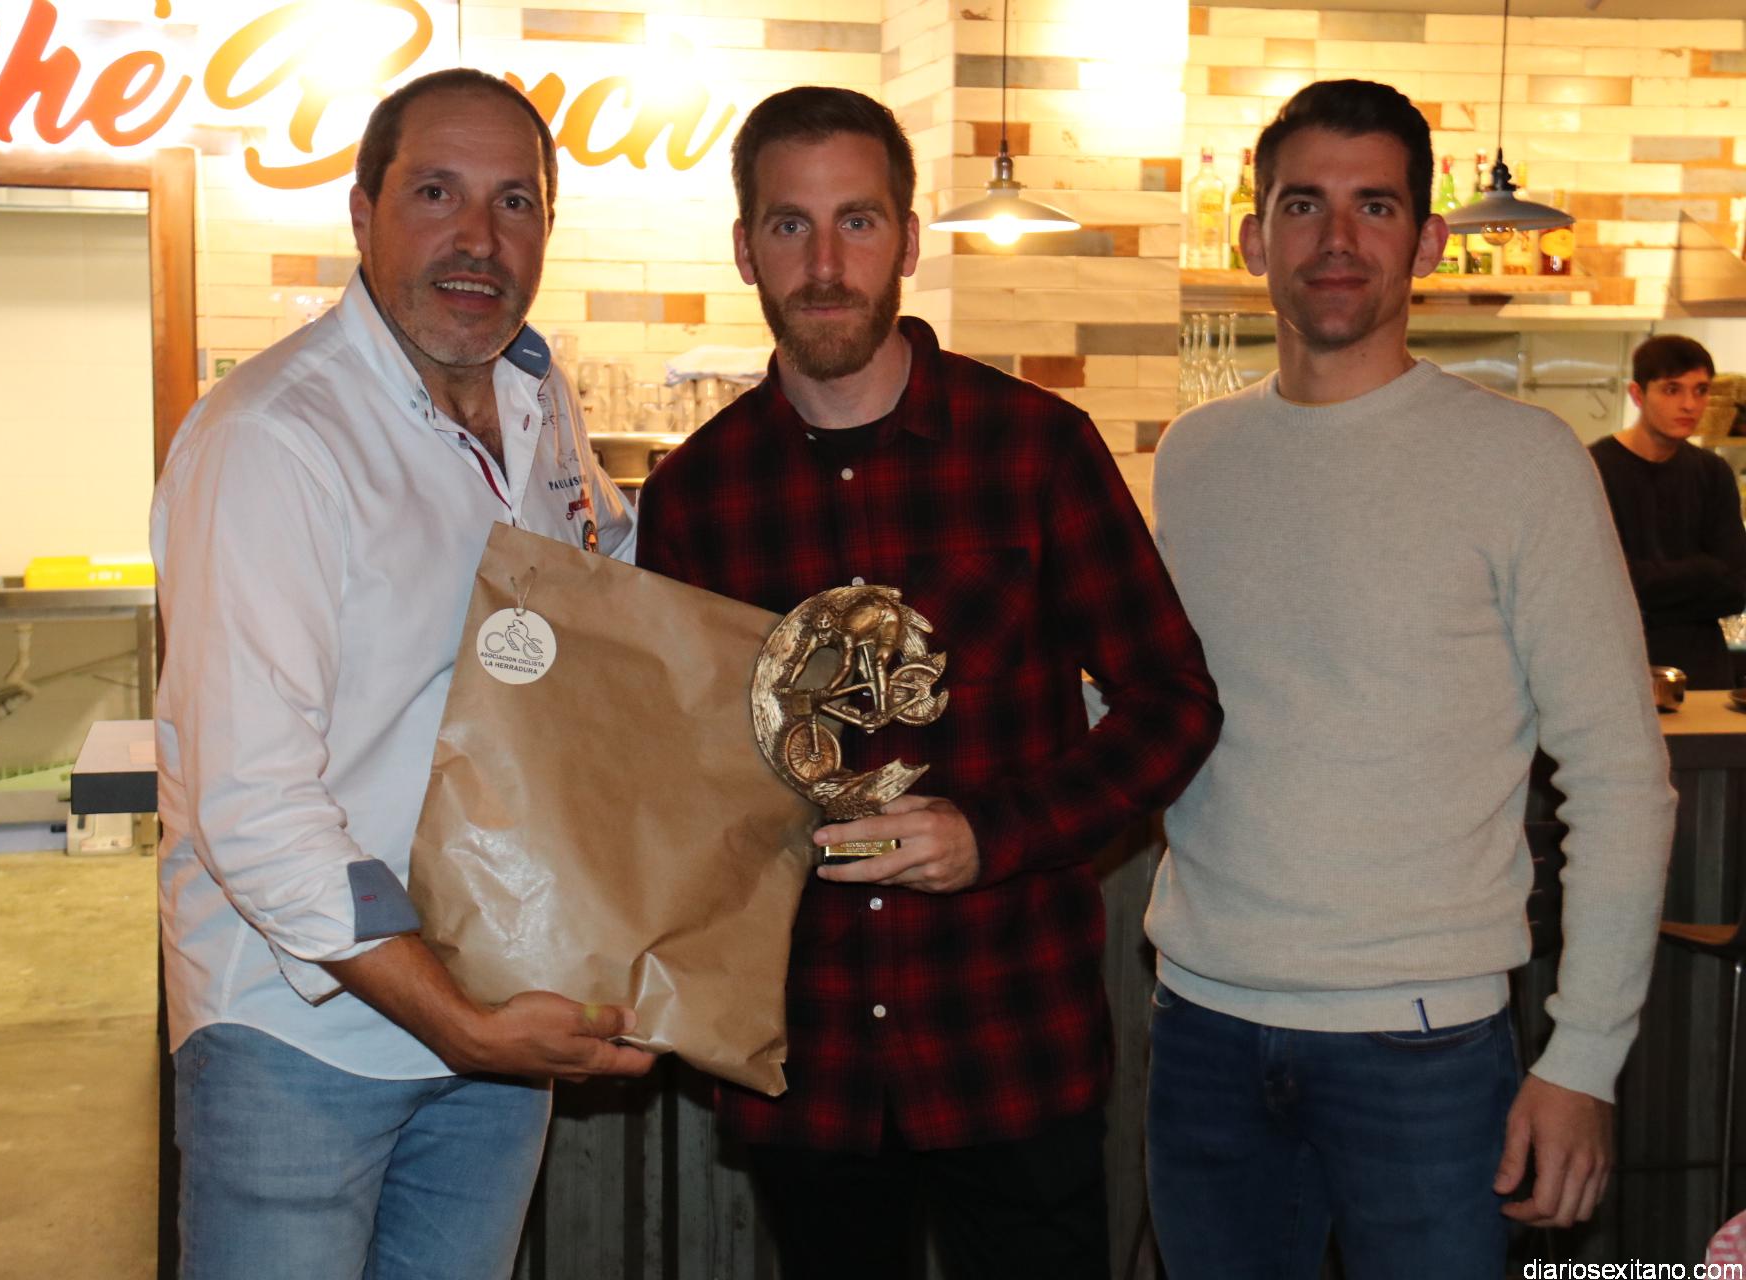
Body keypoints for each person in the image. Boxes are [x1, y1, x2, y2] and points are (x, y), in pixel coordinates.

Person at [634, 85, 1222, 1280]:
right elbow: (673, 779)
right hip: (802, 1056)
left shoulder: (1036, 449)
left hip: (1006, 1036)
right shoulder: (697, 493)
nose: (826, 264)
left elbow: (1173, 701)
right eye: (790, 225)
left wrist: (993, 831)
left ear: (907, 238)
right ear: (745, 248)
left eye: (857, 221)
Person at [1145, 79, 1675, 1279]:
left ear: (1428, 242)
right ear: (1254, 238)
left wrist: (1583, 1059)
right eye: (1304, 204)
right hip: (1203, 1025)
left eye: (1374, 206)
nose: (1337, 239)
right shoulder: (1196, 456)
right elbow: (1160, 703)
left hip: (1425, 1045)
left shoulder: (1524, 462)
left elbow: (1620, 778)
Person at [150, 68, 654, 1280]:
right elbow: (252, 802)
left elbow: (602, 580)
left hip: (499, 995)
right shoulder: (275, 437)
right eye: (436, 192)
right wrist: (456, 1017)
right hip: (301, 1036)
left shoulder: (537, 399)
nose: (478, 238)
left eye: (515, 201)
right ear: (363, 212)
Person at [1589, 334, 1746, 689]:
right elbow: (1600, 587)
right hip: (1617, 670)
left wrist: (1642, 583)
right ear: (1637, 394)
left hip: (1703, 674)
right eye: (1672, 389)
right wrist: (1702, 571)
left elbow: (1735, 588)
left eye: (1700, 390)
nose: (1689, 404)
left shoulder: (1713, 473)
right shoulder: (1593, 469)